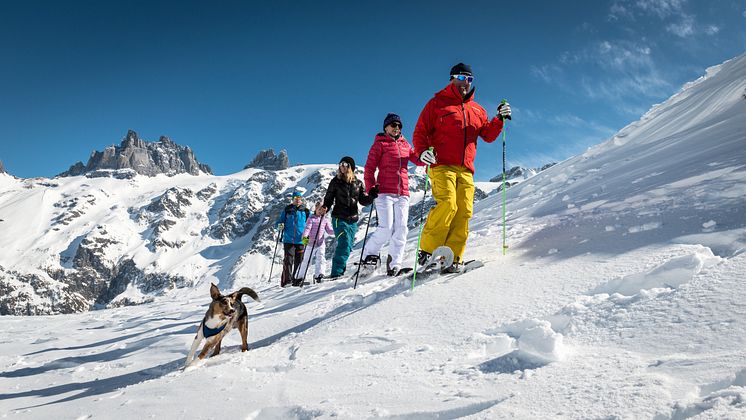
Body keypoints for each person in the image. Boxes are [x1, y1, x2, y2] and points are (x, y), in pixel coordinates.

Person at [412, 62, 512, 272]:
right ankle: (428, 252)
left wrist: (500, 119)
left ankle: (452, 257)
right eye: (461, 77)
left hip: (465, 168)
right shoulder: (437, 104)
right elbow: (420, 131)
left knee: (464, 211)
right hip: (441, 165)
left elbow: (488, 135)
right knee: (448, 204)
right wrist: (422, 152)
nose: (465, 82)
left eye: (469, 79)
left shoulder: (477, 109)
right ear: (452, 78)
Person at [361, 113, 425, 276]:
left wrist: (427, 156)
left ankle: (394, 264)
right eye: (393, 125)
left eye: (399, 126)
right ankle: (370, 255)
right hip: (384, 193)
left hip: (402, 192)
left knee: (401, 228)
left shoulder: (405, 145)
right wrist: (371, 187)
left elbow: (417, 160)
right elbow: (369, 168)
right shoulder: (379, 144)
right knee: (386, 228)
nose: (397, 128)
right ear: (386, 127)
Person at [321, 156, 377, 278]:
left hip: (352, 221)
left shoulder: (358, 183)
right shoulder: (335, 181)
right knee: (344, 243)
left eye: (345, 164)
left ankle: (341, 270)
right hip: (339, 218)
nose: (342, 166)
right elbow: (329, 197)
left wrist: (372, 196)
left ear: (350, 167)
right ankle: (336, 273)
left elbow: (363, 201)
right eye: (340, 163)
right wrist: (325, 207)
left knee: (348, 247)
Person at [275, 191, 309, 287]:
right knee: (288, 261)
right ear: (293, 199)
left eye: (299, 198)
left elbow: (309, 225)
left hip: (301, 240)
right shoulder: (287, 210)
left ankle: (297, 280)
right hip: (289, 240)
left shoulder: (305, 211)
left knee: (300, 261)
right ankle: (287, 281)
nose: (298, 200)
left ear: (301, 200)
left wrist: (307, 239)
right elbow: (280, 222)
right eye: (296, 198)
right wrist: (279, 225)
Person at [296, 201, 335, 283]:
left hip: (321, 243)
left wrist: (336, 231)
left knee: (321, 258)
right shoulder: (311, 219)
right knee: (306, 259)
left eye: (323, 209)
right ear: (316, 209)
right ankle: (300, 277)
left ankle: (319, 274)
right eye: (319, 209)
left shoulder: (325, 220)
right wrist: (305, 236)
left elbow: (329, 231)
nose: (321, 211)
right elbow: (307, 228)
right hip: (310, 243)